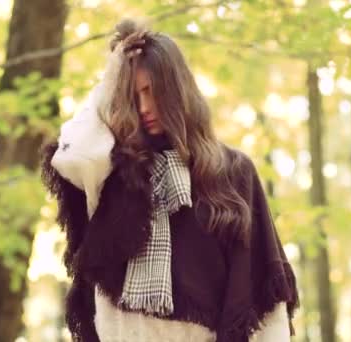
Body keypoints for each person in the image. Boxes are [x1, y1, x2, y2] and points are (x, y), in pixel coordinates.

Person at [41, 18, 299, 342]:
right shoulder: (112, 169)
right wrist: (111, 76)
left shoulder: (232, 172)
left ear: (176, 91)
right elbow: (69, 156)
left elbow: (265, 301)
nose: (145, 107)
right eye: (133, 96)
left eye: (152, 92)